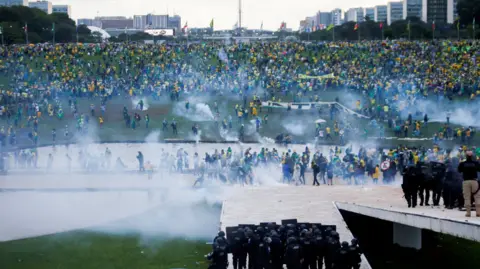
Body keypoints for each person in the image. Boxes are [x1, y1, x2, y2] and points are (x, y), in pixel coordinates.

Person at [457, 151, 480, 217]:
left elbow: (459, 170)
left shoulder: (462, 163)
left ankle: (468, 213)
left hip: (466, 181)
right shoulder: (475, 163)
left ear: (466, 156)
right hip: (474, 181)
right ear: (472, 156)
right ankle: (478, 212)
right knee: (477, 197)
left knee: (467, 197)